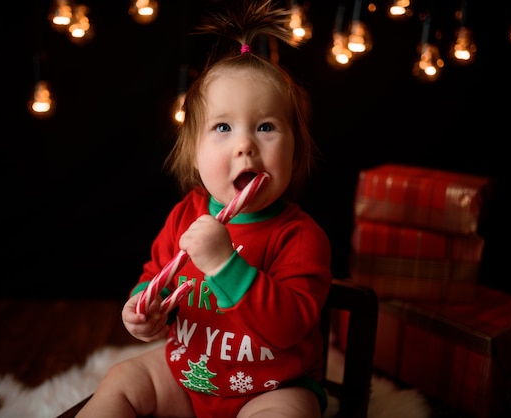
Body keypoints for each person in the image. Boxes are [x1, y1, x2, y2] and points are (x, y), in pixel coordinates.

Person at [76, 1, 332, 417]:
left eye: (266, 127)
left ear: (295, 151)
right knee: (123, 378)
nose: (245, 144)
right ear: (194, 153)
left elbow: (289, 328)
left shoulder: (301, 237)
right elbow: (155, 275)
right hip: (190, 373)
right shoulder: (186, 214)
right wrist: (144, 307)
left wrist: (223, 262)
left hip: (272, 385)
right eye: (223, 127)